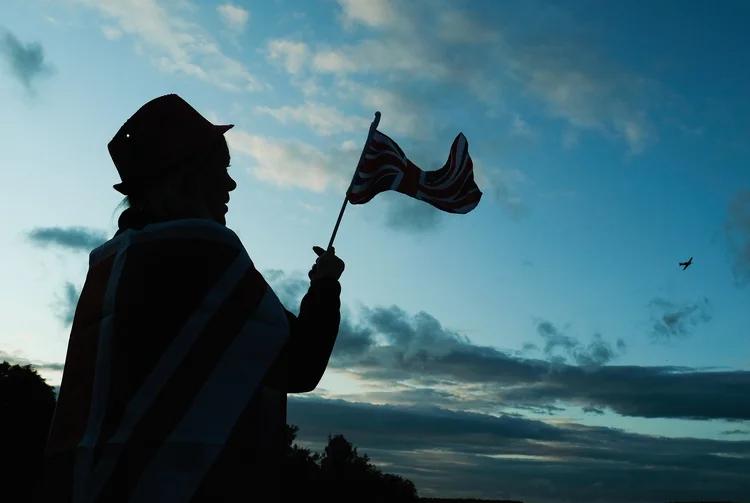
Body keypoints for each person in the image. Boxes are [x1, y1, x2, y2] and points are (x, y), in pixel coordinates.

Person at [35, 94, 344, 503]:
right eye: (223, 169)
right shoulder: (206, 253)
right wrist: (325, 287)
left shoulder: (108, 264)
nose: (232, 183)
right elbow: (299, 364)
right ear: (191, 175)